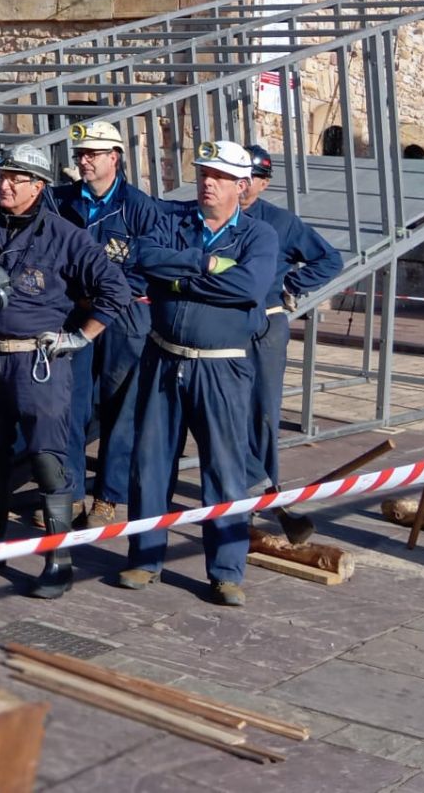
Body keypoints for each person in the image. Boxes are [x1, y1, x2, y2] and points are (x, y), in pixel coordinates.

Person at [0, 143, 132, 598]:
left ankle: (58, 560)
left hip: (40, 365)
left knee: (49, 462)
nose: (5, 185)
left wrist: (80, 336)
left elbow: (115, 291)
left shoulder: (68, 238)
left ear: (38, 186)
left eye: (16, 178)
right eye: (2, 177)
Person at [116, 142, 278, 607]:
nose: (208, 182)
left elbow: (248, 287)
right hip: (163, 358)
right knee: (149, 465)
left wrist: (177, 274)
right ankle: (144, 559)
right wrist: (204, 264)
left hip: (221, 368)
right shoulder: (172, 221)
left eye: (220, 177)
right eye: (204, 173)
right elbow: (142, 258)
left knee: (224, 472)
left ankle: (226, 572)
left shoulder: (258, 236)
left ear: (241, 185)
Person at [51, 120, 175, 526]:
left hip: (125, 318)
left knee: (122, 409)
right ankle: (68, 492)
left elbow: (146, 265)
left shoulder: (141, 207)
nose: (83, 161)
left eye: (91, 154)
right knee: (71, 405)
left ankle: (107, 496)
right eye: (79, 155)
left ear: (114, 158)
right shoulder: (61, 200)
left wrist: (106, 295)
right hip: (76, 314)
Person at [239, 146, 343, 497]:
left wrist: (290, 284)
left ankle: (265, 488)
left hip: (264, 327)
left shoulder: (280, 222)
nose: (242, 182)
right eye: (237, 173)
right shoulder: (212, 214)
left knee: (263, 409)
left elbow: (329, 259)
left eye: (251, 177)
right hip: (220, 324)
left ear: (264, 183)